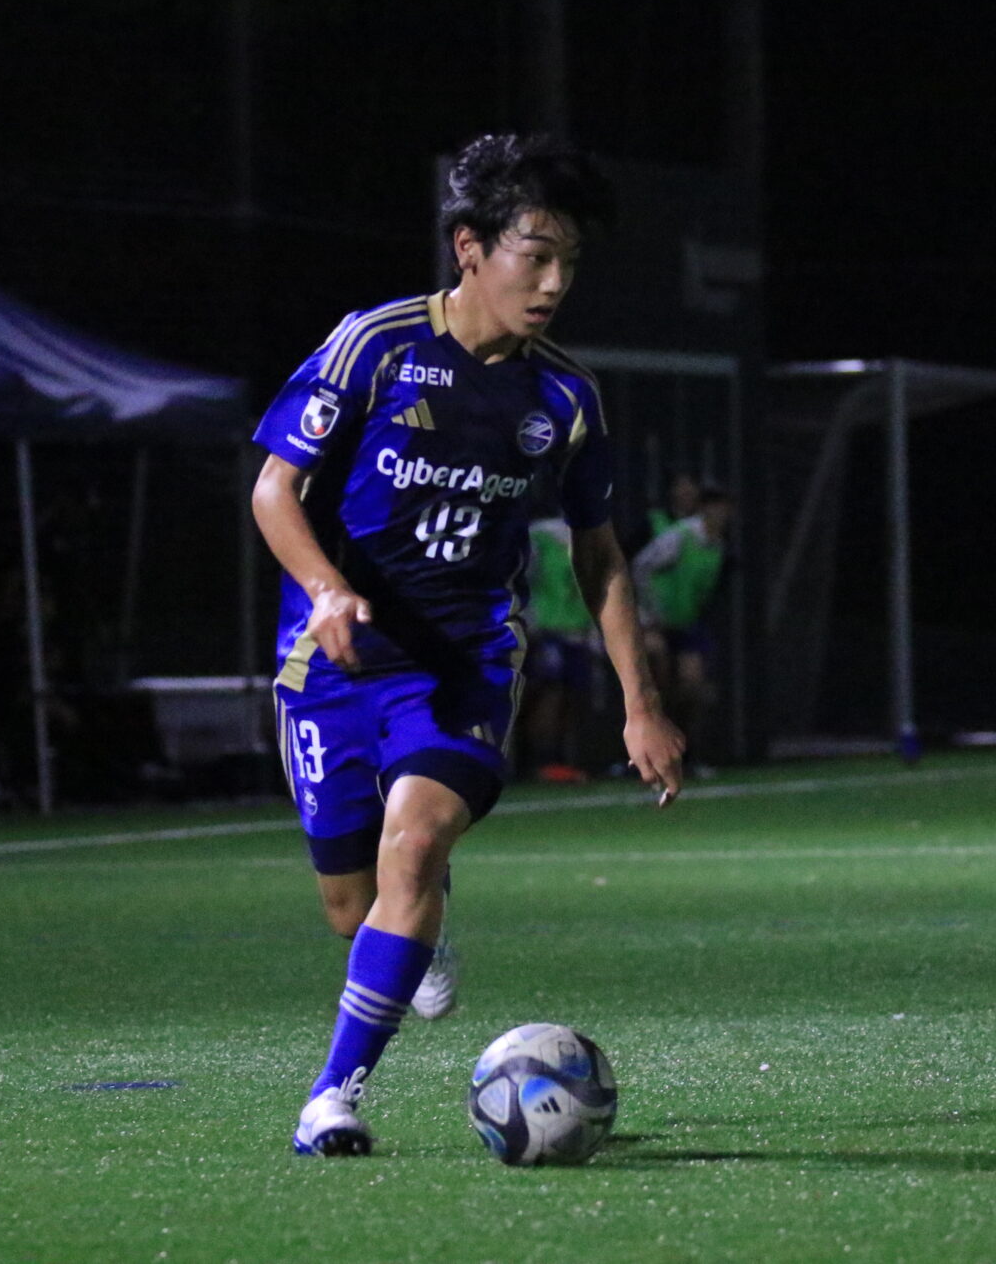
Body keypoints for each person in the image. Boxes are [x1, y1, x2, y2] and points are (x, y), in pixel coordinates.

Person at [250, 132, 685, 1157]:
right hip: (335, 660)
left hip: (466, 662)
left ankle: (332, 1098)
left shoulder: (564, 398)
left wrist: (640, 703)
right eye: (535, 255)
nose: (553, 283)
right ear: (469, 248)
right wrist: (326, 590)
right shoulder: (375, 346)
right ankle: (423, 920)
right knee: (350, 905)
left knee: (413, 843)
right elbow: (274, 488)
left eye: (569, 262)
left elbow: (600, 557)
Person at [633, 483, 733, 767]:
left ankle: (685, 750)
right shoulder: (680, 536)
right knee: (658, 680)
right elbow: (641, 566)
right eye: (713, 507)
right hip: (656, 621)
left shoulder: (719, 545)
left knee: (692, 687)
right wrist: (651, 612)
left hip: (686, 622)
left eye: (724, 508)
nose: (719, 514)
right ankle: (646, 754)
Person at [520, 514, 598, 781]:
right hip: (547, 630)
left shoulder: (593, 533)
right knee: (549, 693)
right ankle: (539, 760)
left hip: (577, 631)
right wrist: (529, 621)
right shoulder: (540, 535)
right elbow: (523, 578)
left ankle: (556, 759)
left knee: (569, 696)